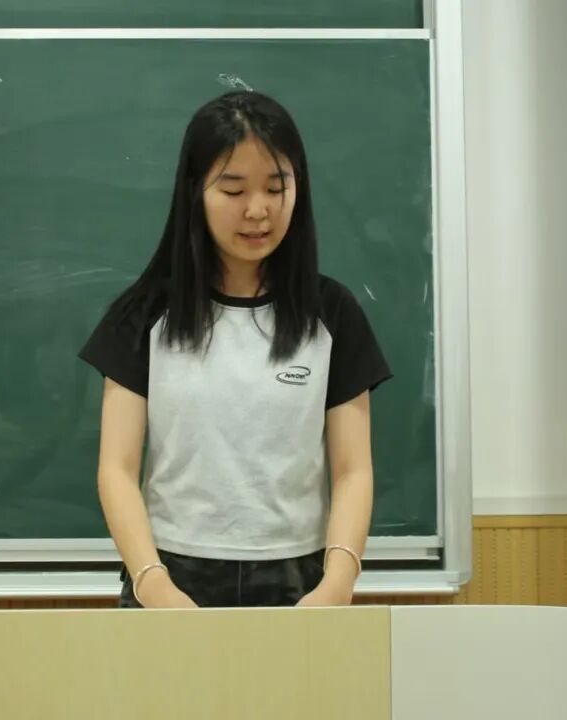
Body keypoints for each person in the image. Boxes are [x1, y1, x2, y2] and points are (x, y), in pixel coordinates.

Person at [79, 90, 391, 608]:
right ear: (195, 192)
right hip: (170, 572)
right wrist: (152, 582)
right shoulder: (145, 312)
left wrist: (338, 583)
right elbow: (116, 467)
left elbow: (353, 469)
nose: (257, 210)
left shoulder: (332, 312)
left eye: (277, 187)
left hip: (301, 577)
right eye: (233, 189)